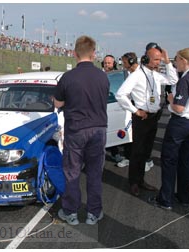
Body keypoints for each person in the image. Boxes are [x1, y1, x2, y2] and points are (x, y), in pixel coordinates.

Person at [54, 35, 109, 225]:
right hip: (98, 129)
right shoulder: (102, 76)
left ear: (75, 53)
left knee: (72, 172)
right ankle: (94, 213)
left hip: (76, 129)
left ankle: (71, 212)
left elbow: (58, 102)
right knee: (94, 173)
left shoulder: (68, 77)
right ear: (93, 54)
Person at [116, 42, 178, 197]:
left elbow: (173, 80)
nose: (159, 62)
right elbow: (120, 94)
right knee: (137, 152)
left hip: (154, 117)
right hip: (141, 118)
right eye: (156, 60)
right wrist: (135, 110)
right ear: (145, 59)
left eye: (160, 60)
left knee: (146, 152)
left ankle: (141, 180)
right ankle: (133, 183)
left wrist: (168, 62)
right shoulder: (136, 75)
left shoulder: (154, 74)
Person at [149, 48, 189, 210]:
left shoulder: (186, 80)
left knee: (169, 161)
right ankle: (185, 197)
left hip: (181, 123)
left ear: (184, 61)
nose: (175, 63)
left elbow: (179, 108)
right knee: (186, 161)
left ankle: (165, 199)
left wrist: (170, 99)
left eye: (177, 60)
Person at [117, 52, 154, 172]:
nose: (123, 64)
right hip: (131, 107)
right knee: (131, 134)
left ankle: (146, 161)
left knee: (144, 138)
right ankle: (130, 157)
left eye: (124, 62)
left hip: (143, 109)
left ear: (131, 62)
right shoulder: (127, 73)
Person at [102, 54, 123, 163]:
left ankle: (115, 153)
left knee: (113, 131)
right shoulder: (99, 74)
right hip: (100, 107)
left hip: (114, 104)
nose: (107, 65)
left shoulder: (117, 75)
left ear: (113, 64)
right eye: (105, 63)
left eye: (109, 63)